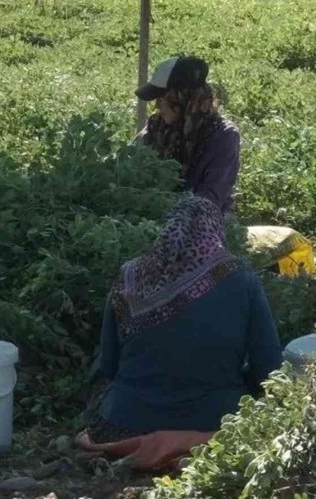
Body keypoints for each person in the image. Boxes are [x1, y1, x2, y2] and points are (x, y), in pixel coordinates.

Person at [77, 197, 283, 470]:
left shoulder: (129, 275)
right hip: (214, 420)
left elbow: (108, 364)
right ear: (215, 231)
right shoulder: (240, 277)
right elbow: (268, 367)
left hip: (123, 424)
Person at [136, 55, 240, 214]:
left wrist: (169, 212)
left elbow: (211, 197)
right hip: (153, 214)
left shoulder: (223, 136)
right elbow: (132, 160)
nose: (157, 106)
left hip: (203, 223)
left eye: (161, 99)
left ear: (181, 99)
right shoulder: (157, 127)